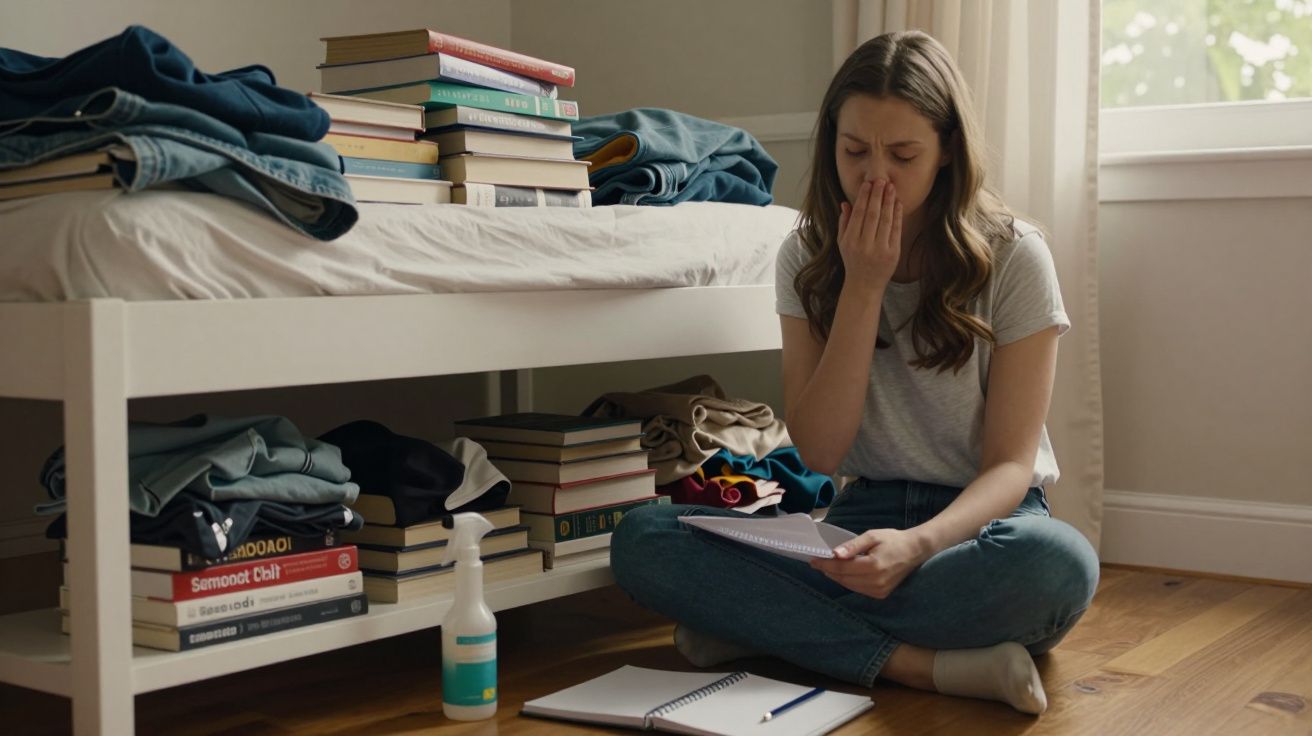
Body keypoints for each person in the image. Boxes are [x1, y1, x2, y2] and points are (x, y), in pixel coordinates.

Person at [609, 30, 1100, 715]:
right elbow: (820, 450)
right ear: (830, 142)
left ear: (947, 150)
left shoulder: (1017, 257)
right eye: (854, 151)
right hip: (858, 522)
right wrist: (864, 286)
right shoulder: (805, 257)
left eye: (903, 155)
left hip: (981, 529)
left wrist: (919, 544)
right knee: (643, 541)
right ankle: (921, 665)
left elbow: (1012, 464)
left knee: (1059, 565)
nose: (876, 177)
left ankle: (768, 631)